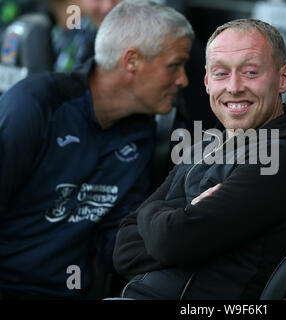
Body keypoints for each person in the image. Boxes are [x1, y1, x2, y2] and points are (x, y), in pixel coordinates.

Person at [112, 18, 286, 299]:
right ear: (206, 82)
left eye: (250, 72)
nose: (234, 87)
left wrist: (158, 217)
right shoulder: (208, 143)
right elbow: (123, 249)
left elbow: (172, 242)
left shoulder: (284, 159)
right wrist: (179, 221)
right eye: (221, 73)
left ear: (283, 78)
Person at [0, 0, 193, 299]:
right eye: (174, 66)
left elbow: (116, 243)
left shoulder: (140, 131)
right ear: (132, 62)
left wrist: (196, 226)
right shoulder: (35, 104)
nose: (183, 79)